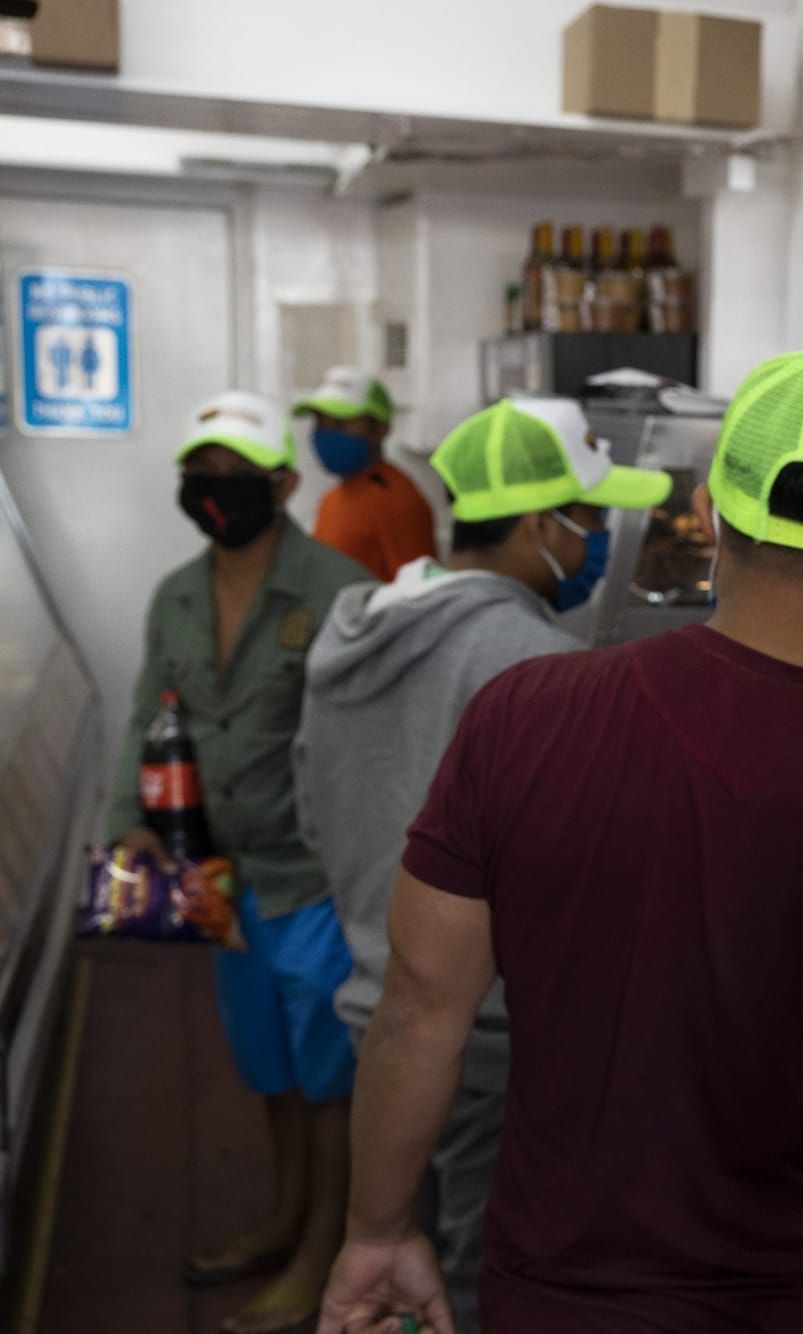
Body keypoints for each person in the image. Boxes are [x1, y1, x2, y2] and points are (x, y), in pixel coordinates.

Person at [315, 352, 803, 1334]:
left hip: (557, 1296)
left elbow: (418, 1010)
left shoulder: (524, 714)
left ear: (714, 519)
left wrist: (378, 1230)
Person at [293, 397, 651, 1334]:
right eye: (594, 519)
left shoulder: (353, 634)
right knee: (487, 1279)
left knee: (404, 1260)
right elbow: (582, 882)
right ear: (541, 524)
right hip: (490, 1042)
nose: (602, 542)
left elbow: (312, 815)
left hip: (373, 1016)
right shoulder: (535, 666)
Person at [108, 390, 375, 1334]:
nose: (213, 493)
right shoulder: (175, 595)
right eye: (198, 476)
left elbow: (366, 748)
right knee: (266, 1065)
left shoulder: (338, 589)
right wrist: (126, 821)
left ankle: (325, 1250)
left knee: (328, 1077)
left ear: (284, 485)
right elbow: (152, 712)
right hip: (219, 875)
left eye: (233, 477)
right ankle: (283, 1214)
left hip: (312, 880)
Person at [298, 366, 437, 581]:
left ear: (380, 429)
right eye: (320, 422)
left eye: (340, 422)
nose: (327, 433)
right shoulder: (332, 499)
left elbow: (422, 598)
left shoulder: (397, 502)